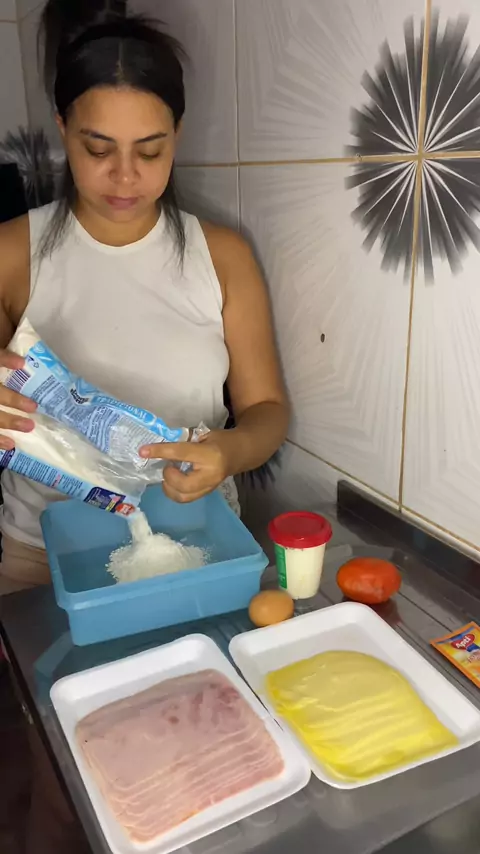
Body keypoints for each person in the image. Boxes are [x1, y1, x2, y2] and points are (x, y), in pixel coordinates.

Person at [0, 1, 289, 851]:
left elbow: (268, 412)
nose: (124, 176)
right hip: (44, 565)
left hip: (201, 556)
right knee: (68, 784)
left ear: (178, 138)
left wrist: (229, 449)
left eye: (151, 150)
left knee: (204, 770)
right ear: (62, 128)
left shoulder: (220, 256)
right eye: (97, 148)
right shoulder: (13, 251)